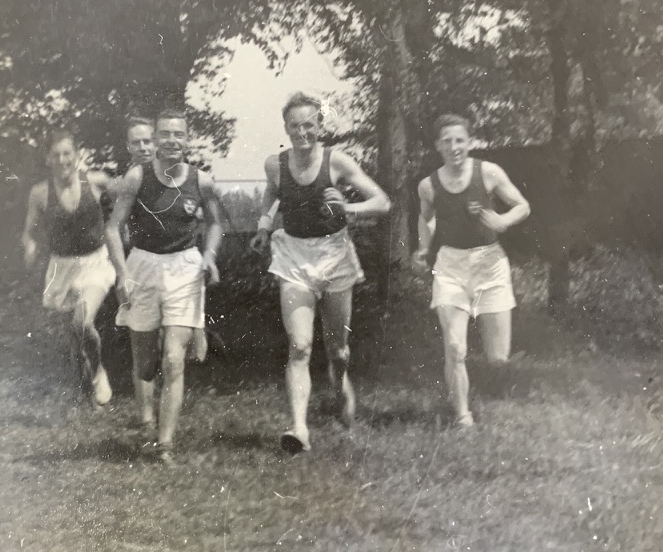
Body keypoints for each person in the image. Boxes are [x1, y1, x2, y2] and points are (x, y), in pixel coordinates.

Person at [251, 92, 391, 454]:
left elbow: (383, 202)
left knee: (338, 349)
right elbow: (272, 193)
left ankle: (340, 381)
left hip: (334, 255)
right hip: (294, 255)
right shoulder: (275, 164)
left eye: (309, 125)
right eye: (294, 126)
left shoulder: (337, 161)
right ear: (286, 128)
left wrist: (349, 208)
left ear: (320, 126)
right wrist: (264, 226)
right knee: (299, 345)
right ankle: (299, 429)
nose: (302, 132)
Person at [105, 108, 223, 463]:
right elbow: (112, 228)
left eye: (179, 135)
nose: (172, 141)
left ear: (187, 140)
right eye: (165, 134)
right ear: (155, 139)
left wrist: (210, 255)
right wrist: (122, 272)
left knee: (174, 358)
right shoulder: (137, 178)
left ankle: (165, 444)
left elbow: (216, 223)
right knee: (145, 364)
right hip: (143, 265)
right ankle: (146, 420)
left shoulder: (201, 182)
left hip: (184, 268)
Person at [413, 114, 531, 427]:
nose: (454, 147)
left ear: (470, 142)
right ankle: (462, 415)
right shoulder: (428, 185)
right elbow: (425, 219)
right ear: (438, 145)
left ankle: (481, 392)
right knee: (455, 347)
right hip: (451, 266)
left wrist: (504, 221)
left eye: (460, 140)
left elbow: (522, 205)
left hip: (490, 264)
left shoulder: (488, 172)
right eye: (447, 141)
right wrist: (425, 247)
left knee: (498, 358)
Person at [22, 130, 117, 406]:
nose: (63, 160)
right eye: (56, 155)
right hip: (61, 269)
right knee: (76, 341)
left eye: (67, 154)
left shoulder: (96, 181)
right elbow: (28, 232)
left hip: (95, 263)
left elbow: (124, 203)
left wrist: (119, 233)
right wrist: (29, 247)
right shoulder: (40, 193)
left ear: (77, 156)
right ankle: (87, 395)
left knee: (82, 321)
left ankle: (99, 373)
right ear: (48, 159)